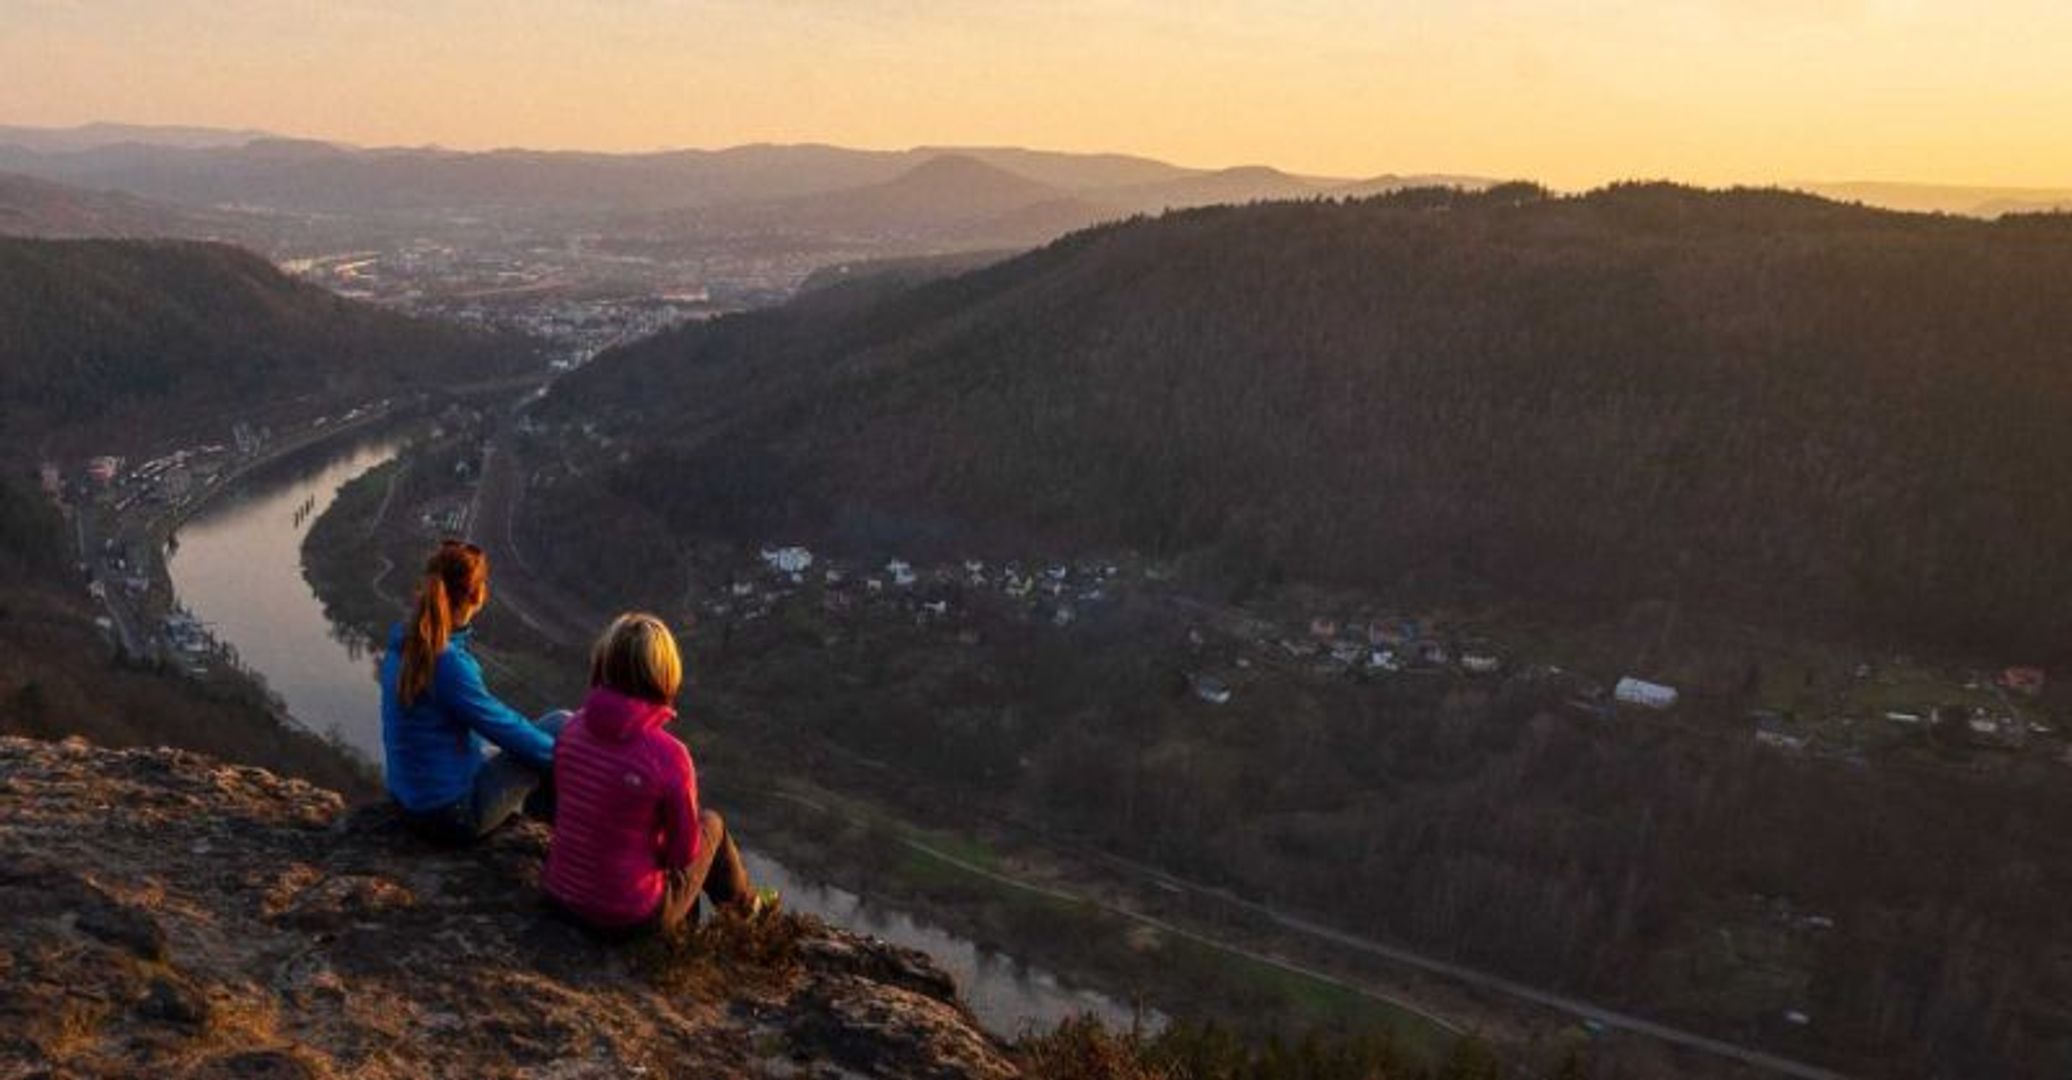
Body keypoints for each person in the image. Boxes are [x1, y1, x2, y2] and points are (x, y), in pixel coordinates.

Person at [544, 612, 774, 935]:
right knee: (713, 825)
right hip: (627, 917)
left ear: (605, 663)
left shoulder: (571, 729)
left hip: (559, 897)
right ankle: (751, 920)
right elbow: (683, 855)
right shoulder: (668, 755)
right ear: (664, 673)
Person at [379, 538, 564, 843]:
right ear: (477, 594)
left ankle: (548, 832)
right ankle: (556, 841)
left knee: (537, 744)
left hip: (410, 801)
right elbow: (501, 725)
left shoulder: (407, 643)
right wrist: (571, 759)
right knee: (561, 728)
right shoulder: (446, 662)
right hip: (452, 816)